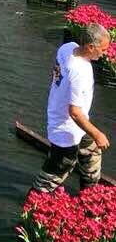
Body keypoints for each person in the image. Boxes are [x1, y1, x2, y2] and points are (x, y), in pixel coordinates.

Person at [32, 23, 111, 193]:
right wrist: (97, 133)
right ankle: (34, 201)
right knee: (54, 174)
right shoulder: (80, 71)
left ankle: (89, 195)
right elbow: (74, 113)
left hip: (76, 123)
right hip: (66, 129)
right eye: (103, 50)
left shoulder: (67, 48)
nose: (105, 54)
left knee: (92, 154)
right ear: (90, 47)